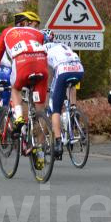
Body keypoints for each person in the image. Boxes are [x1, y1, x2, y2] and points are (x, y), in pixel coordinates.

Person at [0, 11, 47, 136]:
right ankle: (42, 140)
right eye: (35, 25)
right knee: (40, 108)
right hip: (41, 64)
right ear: (25, 23)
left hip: (22, 62)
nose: (36, 29)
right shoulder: (39, 34)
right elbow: (37, 52)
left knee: (15, 89)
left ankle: (19, 119)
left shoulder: (7, 32)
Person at [42, 29, 84, 159]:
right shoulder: (62, 44)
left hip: (63, 69)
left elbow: (44, 71)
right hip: (79, 68)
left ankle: (58, 143)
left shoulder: (42, 48)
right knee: (71, 85)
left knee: (55, 109)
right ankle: (73, 109)